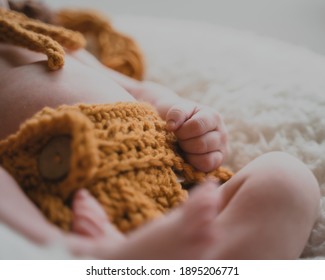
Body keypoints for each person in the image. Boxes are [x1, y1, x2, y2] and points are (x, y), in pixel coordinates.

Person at [0, 2, 321, 259]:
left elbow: (140, 92)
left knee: (286, 179)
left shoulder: (49, 39)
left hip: (175, 193)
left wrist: (188, 118)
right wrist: (59, 244)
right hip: (77, 217)